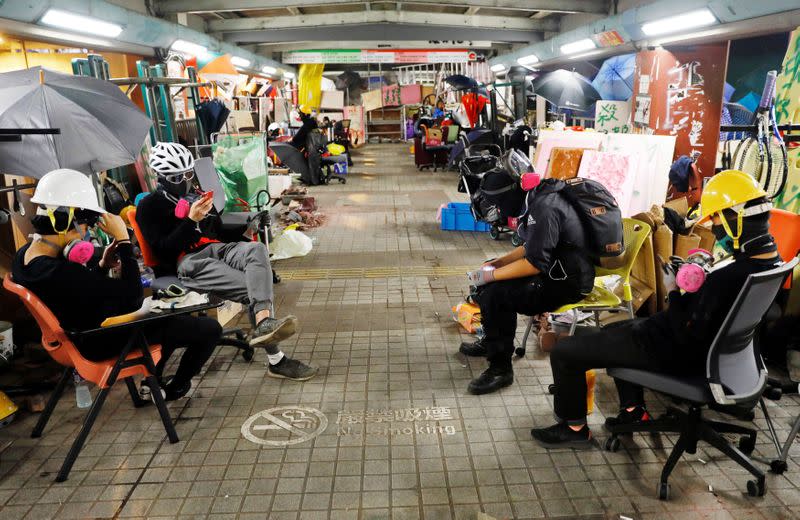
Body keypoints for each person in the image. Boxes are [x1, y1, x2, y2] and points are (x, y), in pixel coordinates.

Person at [530, 170, 781, 449]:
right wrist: (697, 289)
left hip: (675, 351)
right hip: (717, 356)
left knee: (566, 352)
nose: (715, 227)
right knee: (616, 327)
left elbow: (686, 332)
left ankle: (573, 427)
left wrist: (674, 290)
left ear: (737, 222)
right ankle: (633, 411)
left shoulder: (729, 278)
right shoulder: (771, 263)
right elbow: (710, 313)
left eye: (718, 219)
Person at [12, 169, 221, 400]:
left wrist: (101, 265)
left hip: (76, 334)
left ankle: (152, 382)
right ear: (63, 224)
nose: (83, 238)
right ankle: (175, 388)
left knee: (169, 319)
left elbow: (77, 290)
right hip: (99, 340)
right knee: (208, 329)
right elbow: (133, 297)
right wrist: (123, 241)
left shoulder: (23, 259)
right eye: (80, 230)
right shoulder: (59, 271)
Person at [136, 142, 317, 381]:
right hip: (187, 262)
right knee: (254, 286)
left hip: (216, 248)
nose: (186, 181)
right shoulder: (149, 207)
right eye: (178, 178)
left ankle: (263, 323)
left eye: (189, 174)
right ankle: (277, 360)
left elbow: (218, 232)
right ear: (163, 178)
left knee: (256, 250)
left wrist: (241, 225)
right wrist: (190, 220)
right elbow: (164, 251)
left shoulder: (195, 196)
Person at [461, 173, 594, 395]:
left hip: (566, 283)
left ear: (508, 197)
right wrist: (497, 264)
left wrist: (493, 276)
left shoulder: (544, 208)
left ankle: (500, 369)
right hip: (555, 270)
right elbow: (531, 247)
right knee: (489, 274)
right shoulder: (537, 197)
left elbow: (534, 263)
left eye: (498, 205)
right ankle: (492, 340)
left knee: (497, 294)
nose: (499, 211)